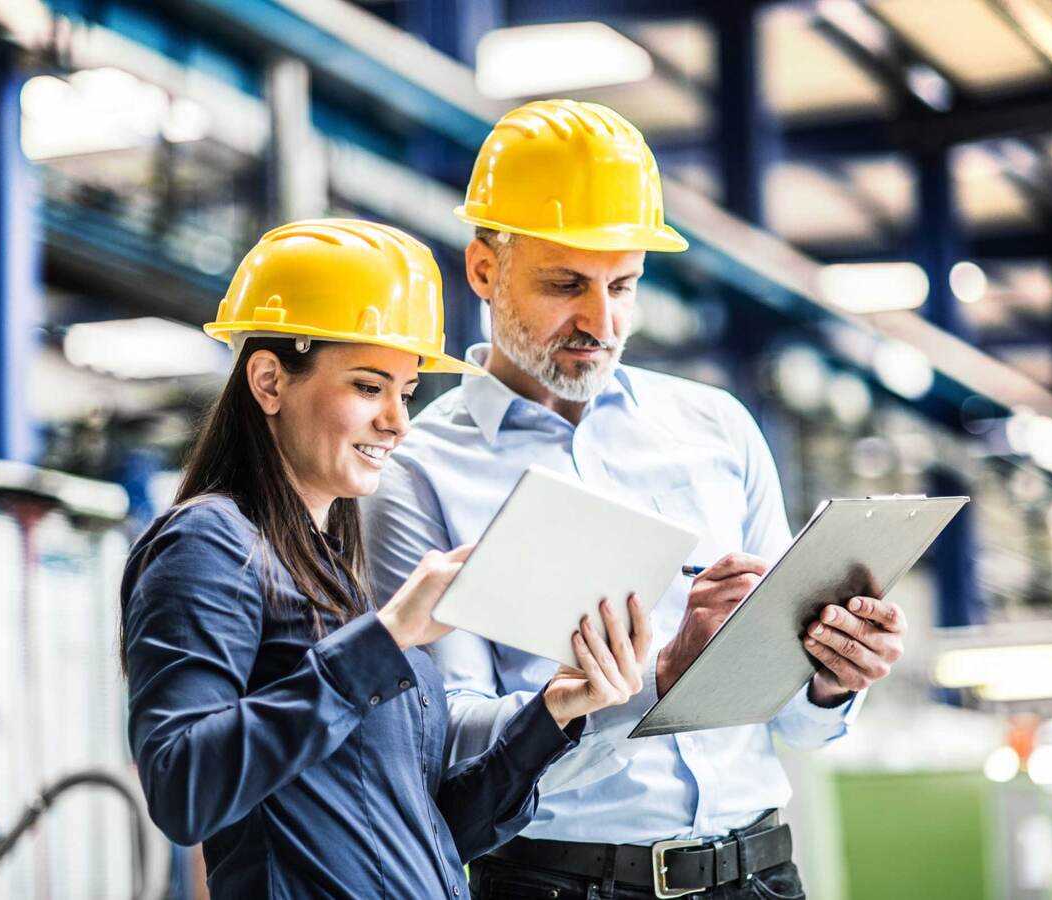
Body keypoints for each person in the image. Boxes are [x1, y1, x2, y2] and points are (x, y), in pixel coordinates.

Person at [361, 101, 908, 899]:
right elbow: (455, 755)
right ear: (483, 269)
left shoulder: (717, 429)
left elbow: (796, 721)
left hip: (757, 873)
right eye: (565, 284)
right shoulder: (417, 472)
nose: (601, 320)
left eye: (624, 284)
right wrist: (658, 676)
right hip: (563, 882)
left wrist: (832, 670)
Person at [119, 219, 651, 900]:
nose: (398, 422)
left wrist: (552, 716)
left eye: (406, 392)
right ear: (269, 382)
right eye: (369, 387)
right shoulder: (208, 545)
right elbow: (182, 788)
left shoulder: (335, 578)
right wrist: (391, 635)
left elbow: (427, 834)